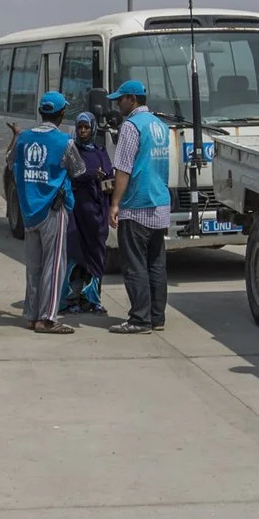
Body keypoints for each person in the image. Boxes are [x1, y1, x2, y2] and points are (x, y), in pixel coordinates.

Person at [105, 78, 173, 333]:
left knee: (134, 265)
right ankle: (157, 317)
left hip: (137, 204)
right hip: (160, 203)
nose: (117, 105)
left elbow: (123, 169)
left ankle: (139, 319)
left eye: (120, 100)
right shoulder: (159, 125)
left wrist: (115, 204)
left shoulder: (131, 127)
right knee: (156, 264)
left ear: (132, 100)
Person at [11, 91, 77, 333]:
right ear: (61, 114)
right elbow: (78, 169)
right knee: (54, 265)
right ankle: (47, 318)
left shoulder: (23, 139)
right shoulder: (65, 142)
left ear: (41, 113)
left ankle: (31, 315)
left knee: (34, 267)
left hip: (29, 211)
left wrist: (16, 136)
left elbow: (10, 163)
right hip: (53, 210)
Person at [62, 110, 113, 314]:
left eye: (86, 127)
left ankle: (93, 300)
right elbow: (69, 175)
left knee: (96, 257)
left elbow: (109, 178)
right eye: (80, 127)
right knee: (75, 255)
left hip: (96, 215)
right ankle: (72, 300)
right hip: (76, 214)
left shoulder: (100, 151)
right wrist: (90, 175)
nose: (82, 131)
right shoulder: (71, 151)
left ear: (92, 129)